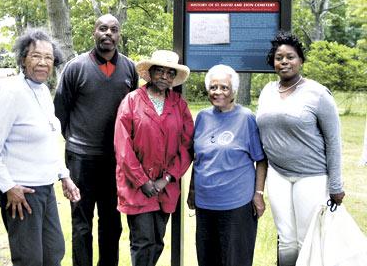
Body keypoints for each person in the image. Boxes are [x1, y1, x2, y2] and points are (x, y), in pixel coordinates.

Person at [0, 28, 81, 266]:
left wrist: (64, 176)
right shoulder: (12, 93)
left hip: (44, 188)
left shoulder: (43, 91)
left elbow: (47, 139)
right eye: (36, 56)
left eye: (48, 57)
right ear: (23, 59)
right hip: (21, 192)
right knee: (30, 259)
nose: (43, 62)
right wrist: (8, 186)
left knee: (53, 252)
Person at [54, 14, 138, 266]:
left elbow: (133, 110)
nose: (108, 34)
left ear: (119, 35)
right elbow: (60, 113)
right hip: (82, 159)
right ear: (94, 32)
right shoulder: (75, 67)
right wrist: (77, 142)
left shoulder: (129, 68)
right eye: (103, 28)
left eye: (113, 29)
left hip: (116, 160)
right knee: (81, 223)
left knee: (112, 223)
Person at [256, 31, 345, 266]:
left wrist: (336, 184)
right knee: (286, 239)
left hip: (312, 176)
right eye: (279, 57)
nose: (284, 61)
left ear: (301, 61)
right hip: (278, 175)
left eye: (290, 57)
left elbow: (334, 140)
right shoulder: (266, 92)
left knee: (307, 238)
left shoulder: (318, 93)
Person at [114, 50, 194, 266]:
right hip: (137, 185)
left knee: (157, 240)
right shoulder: (131, 101)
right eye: (160, 71)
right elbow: (122, 146)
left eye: (170, 73)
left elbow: (187, 146)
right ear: (150, 73)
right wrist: (142, 181)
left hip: (165, 186)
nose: (164, 77)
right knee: (143, 240)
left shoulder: (179, 105)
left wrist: (166, 179)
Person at [186, 64, 267, 266]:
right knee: (207, 259)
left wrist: (258, 194)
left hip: (236, 205)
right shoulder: (203, 117)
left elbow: (261, 160)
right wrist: (193, 190)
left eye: (224, 87)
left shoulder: (246, 118)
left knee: (235, 260)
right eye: (213, 87)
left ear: (233, 91)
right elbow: (199, 158)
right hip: (205, 205)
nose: (218, 92)